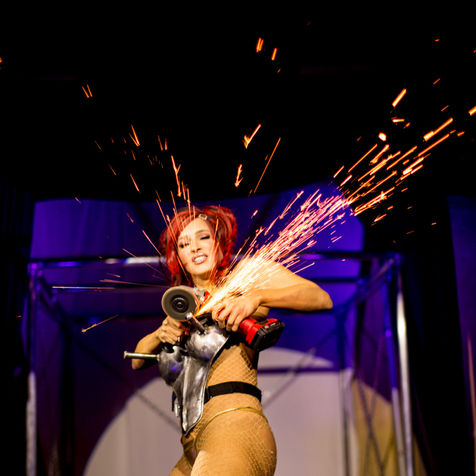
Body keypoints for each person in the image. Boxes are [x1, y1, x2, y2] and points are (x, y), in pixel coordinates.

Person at [131, 205, 333, 475]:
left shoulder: (243, 279)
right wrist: (160, 333)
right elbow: (137, 360)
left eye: (203, 237)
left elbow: (320, 298)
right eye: (184, 244)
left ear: (218, 243)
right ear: (178, 258)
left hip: (234, 426)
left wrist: (257, 297)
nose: (195, 247)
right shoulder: (184, 307)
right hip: (191, 444)